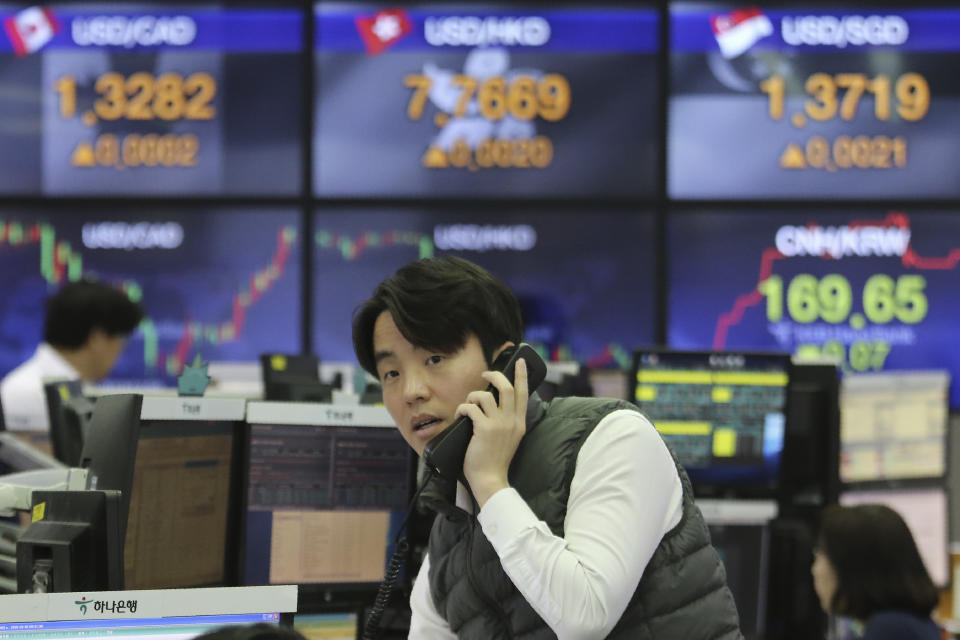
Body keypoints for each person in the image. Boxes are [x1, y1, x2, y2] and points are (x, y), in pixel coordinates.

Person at [352, 256, 742, 639]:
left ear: (505, 366)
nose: (411, 392)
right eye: (391, 373)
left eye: (435, 358)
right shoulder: (449, 524)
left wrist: (490, 481)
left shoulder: (612, 437)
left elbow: (585, 618)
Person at [0, 279, 143, 432]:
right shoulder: (27, 392)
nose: (121, 350)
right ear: (97, 338)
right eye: (121, 340)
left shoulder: (78, 387)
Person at [812, 504, 941, 640]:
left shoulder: (890, 629)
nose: (814, 570)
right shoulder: (906, 622)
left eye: (819, 557)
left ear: (851, 569)